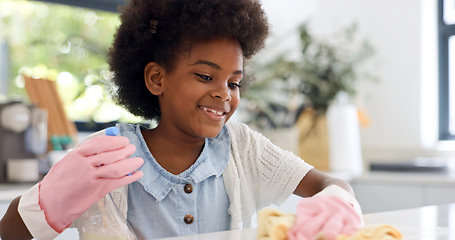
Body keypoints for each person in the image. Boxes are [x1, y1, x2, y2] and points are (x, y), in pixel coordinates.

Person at [0, 0, 364, 239]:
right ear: (157, 78)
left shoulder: (243, 149)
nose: (224, 93)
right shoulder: (108, 158)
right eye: (205, 77)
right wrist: (48, 203)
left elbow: (328, 184)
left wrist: (337, 201)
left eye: (234, 82)